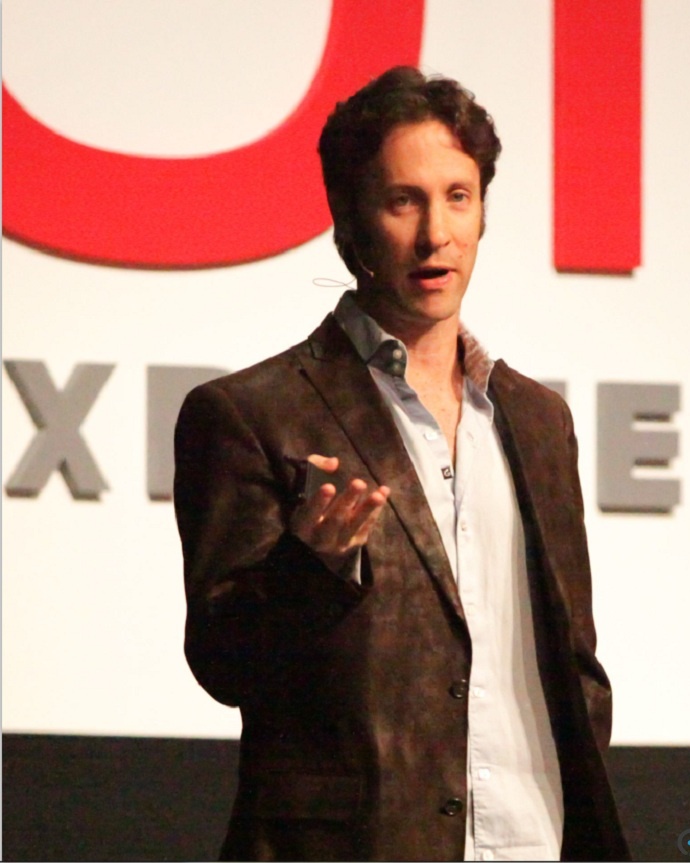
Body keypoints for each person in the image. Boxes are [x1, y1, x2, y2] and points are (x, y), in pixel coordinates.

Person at [174, 66, 630, 862]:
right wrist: (310, 568)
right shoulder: (252, 414)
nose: (435, 234)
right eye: (402, 201)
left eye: (458, 196)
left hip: (535, 837)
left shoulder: (538, 420)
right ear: (349, 220)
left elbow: (574, 661)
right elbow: (223, 661)